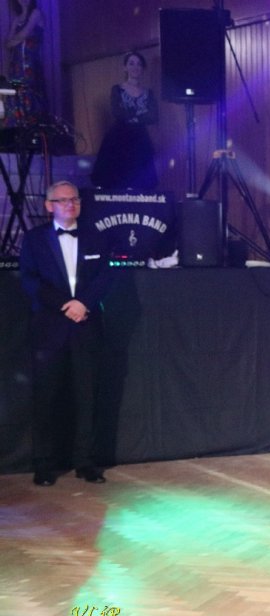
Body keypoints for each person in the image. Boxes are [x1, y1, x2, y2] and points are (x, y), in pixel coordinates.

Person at [19, 181, 113, 486]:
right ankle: (44, 465)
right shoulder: (34, 239)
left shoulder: (96, 236)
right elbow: (30, 280)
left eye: (74, 199)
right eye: (62, 200)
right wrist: (65, 305)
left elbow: (106, 275)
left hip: (86, 327)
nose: (70, 204)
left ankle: (85, 462)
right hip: (50, 330)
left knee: (87, 398)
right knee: (46, 398)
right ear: (49, 206)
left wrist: (84, 303)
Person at [90, 51, 159, 190]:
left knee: (141, 176)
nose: (135, 67)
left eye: (138, 64)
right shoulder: (117, 89)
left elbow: (153, 116)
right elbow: (118, 112)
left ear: (143, 68)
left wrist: (132, 114)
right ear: (125, 67)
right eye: (131, 63)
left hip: (140, 137)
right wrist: (140, 114)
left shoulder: (148, 93)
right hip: (119, 136)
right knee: (116, 173)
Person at [3, 0, 47, 127]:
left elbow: (23, 35)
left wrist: (13, 41)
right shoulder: (17, 19)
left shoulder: (36, 13)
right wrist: (13, 41)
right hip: (16, 69)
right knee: (15, 103)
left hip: (31, 68)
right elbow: (7, 44)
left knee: (32, 102)